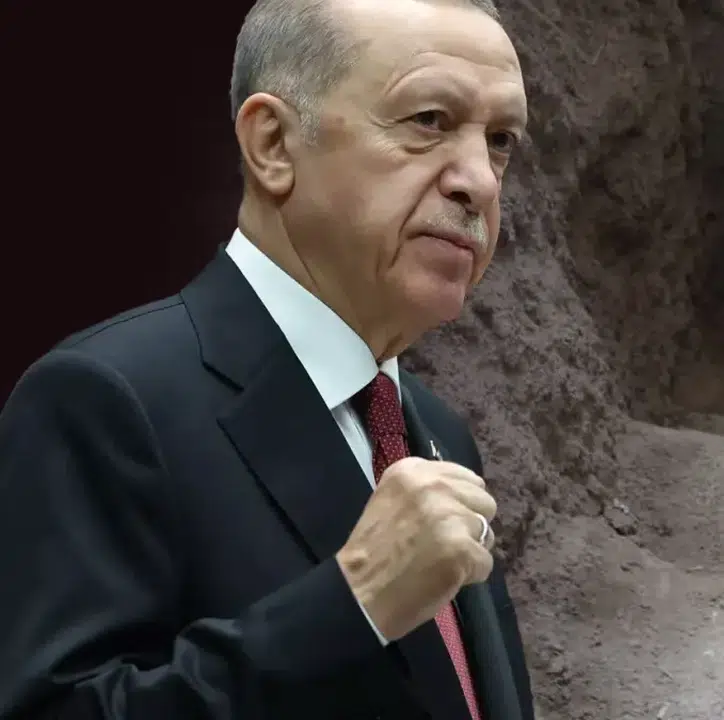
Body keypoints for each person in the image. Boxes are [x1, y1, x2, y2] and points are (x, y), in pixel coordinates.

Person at [0, 0, 534, 717]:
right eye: (429, 120)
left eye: (500, 140)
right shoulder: (104, 403)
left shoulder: (438, 433)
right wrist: (353, 602)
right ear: (274, 144)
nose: (481, 182)